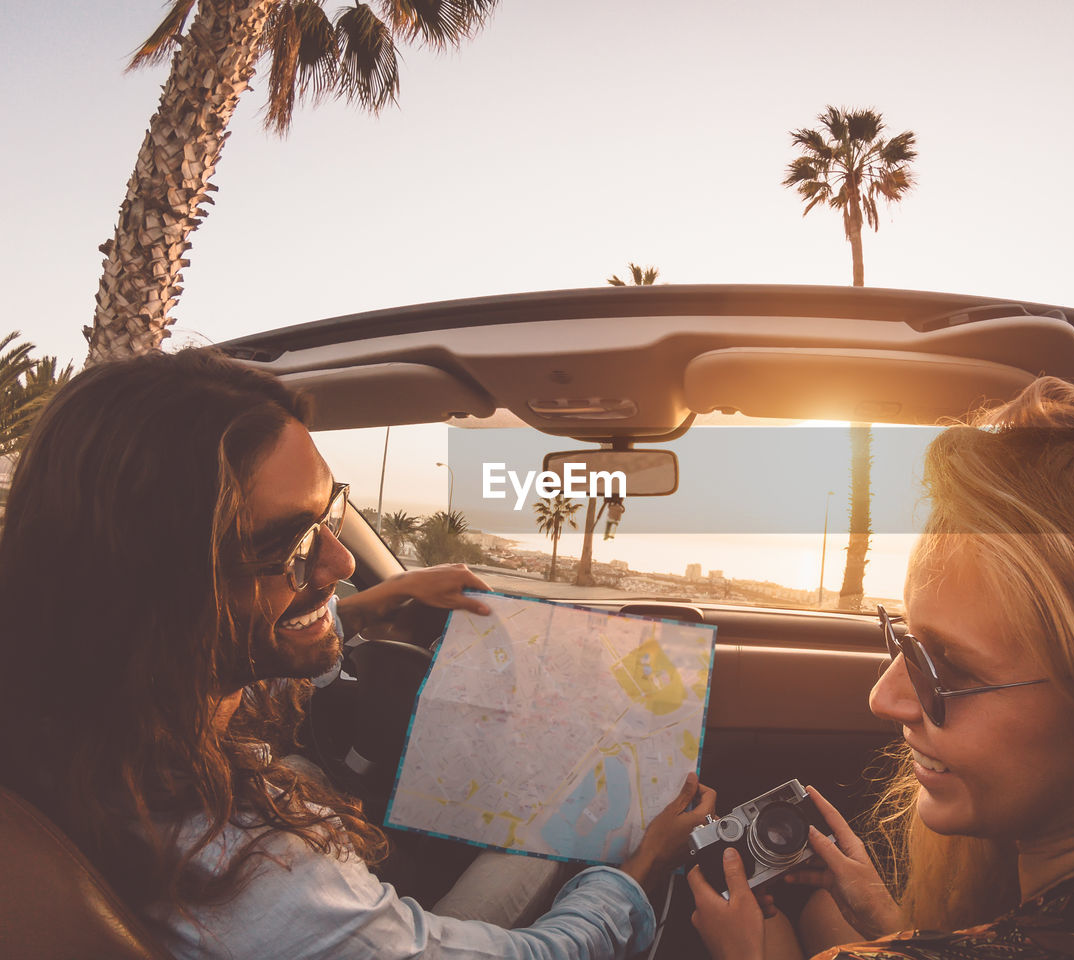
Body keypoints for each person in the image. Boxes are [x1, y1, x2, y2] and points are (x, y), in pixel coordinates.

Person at [0, 348, 715, 959]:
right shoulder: (261, 879)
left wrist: (377, 599)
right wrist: (636, 872)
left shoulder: (91, 718)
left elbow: (236, 669)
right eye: (291, 544)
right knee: (538, 835)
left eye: (330, 512)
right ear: (155, 585)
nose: (341, 562)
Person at [688, 377, 1074, 960]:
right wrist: (891, 923)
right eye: (903, 638)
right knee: (826, 910)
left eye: (948, 666)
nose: (885, 698)